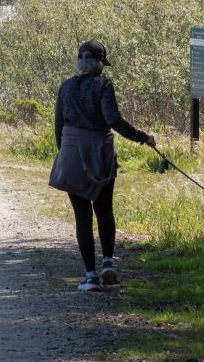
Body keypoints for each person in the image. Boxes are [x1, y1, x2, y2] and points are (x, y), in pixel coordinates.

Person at [48, 40, 154, 292]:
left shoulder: (65, 87)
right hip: (100, 152)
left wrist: (64, 153)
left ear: (79, 62)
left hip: (72, 151)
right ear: (99, 64)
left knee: (82, 217)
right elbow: (113, 119)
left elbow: (58, 127)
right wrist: (143, 137)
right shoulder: (104, 85)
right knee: (104, 210)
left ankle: (90, 276)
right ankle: (107, 263)